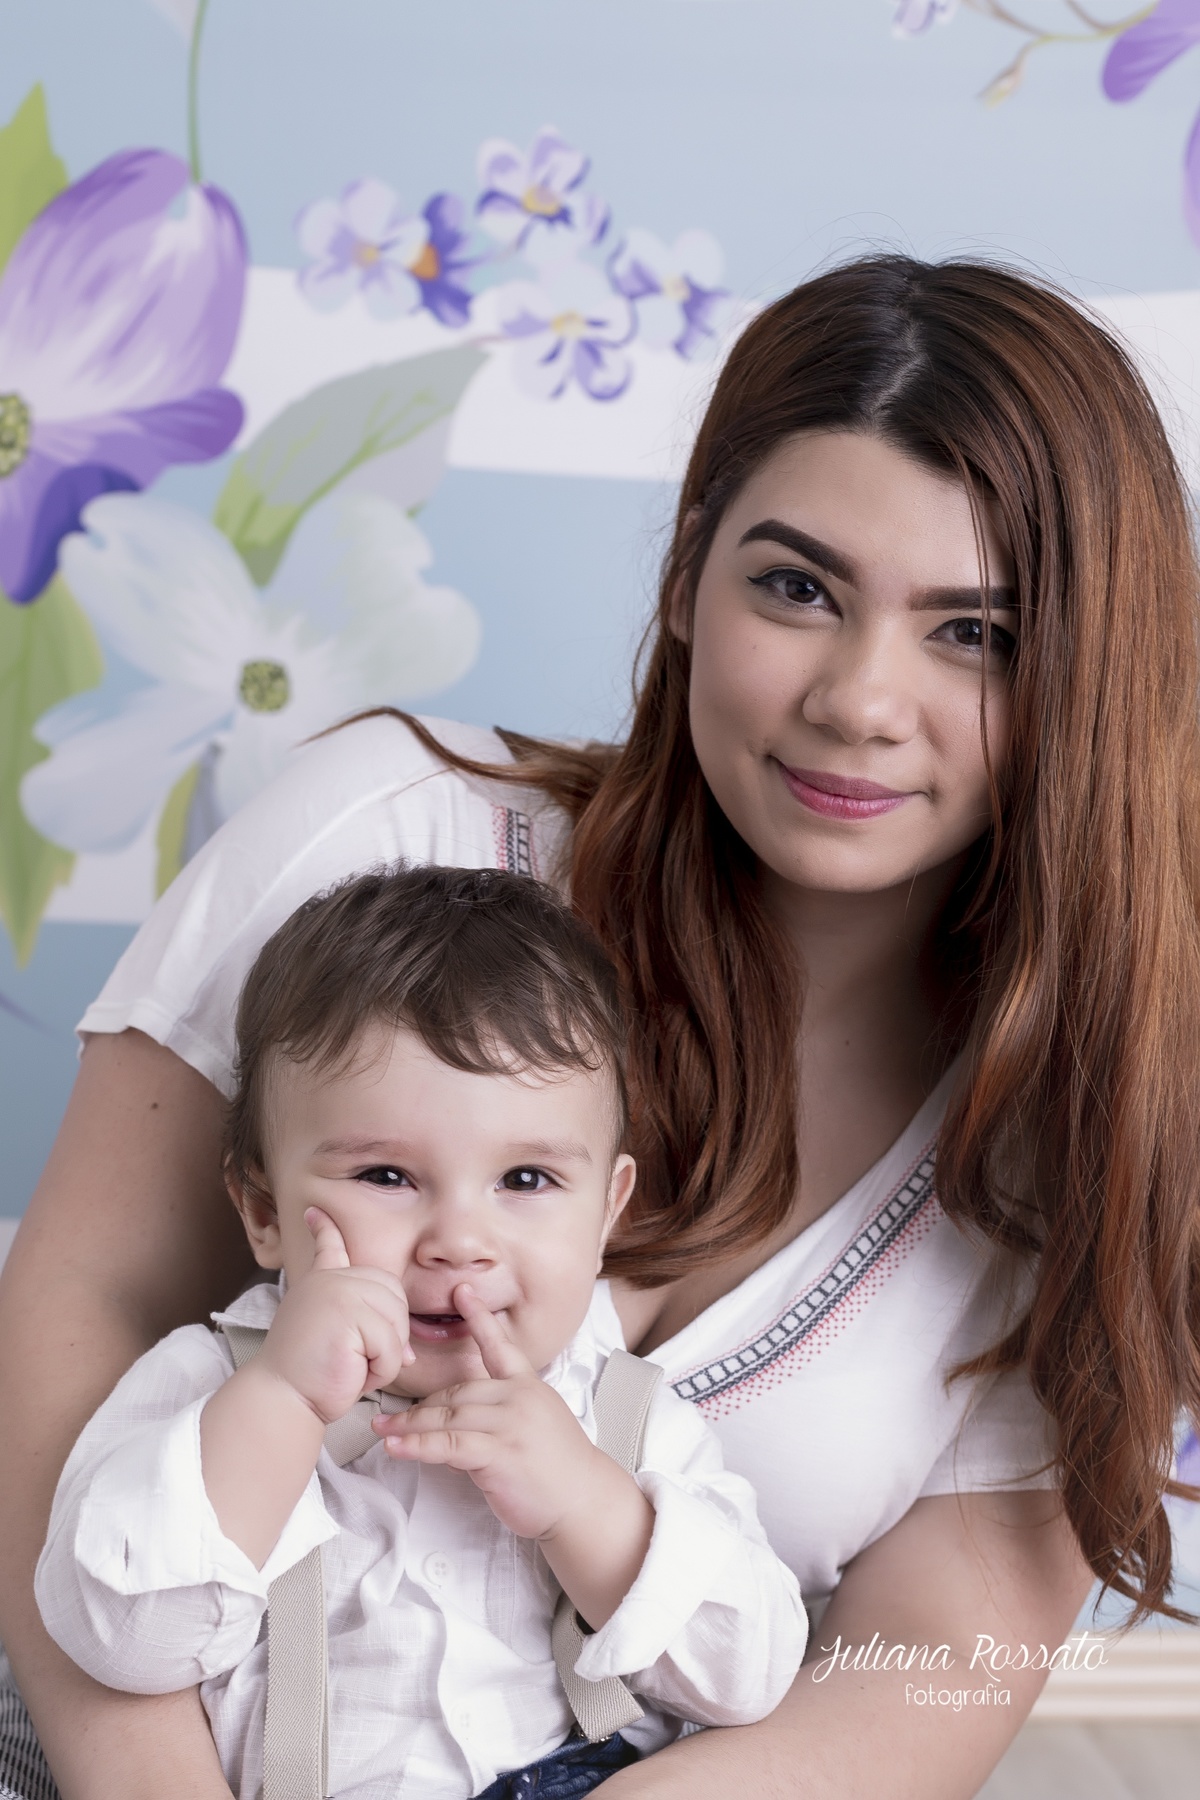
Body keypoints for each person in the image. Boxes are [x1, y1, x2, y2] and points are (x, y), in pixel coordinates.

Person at [2, 253, 1199, 1800]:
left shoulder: (1075, 1140)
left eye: (975, 633)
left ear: (1092, 675)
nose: (859, 699)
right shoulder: (386, 838)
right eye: (798, 586)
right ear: (691, 572)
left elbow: (921, 1676)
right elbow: (78, 1315)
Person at [34, 866, 807, 1800]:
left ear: (607, 1213)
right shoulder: (204, 1383)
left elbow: (748, 1672)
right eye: (387, 1177)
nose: (458, 1244)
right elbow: (120, 1643)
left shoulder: (627, 1422)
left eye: (525, 1181)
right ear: (264, 1208)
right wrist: (278, 1404)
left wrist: (587, 1507)